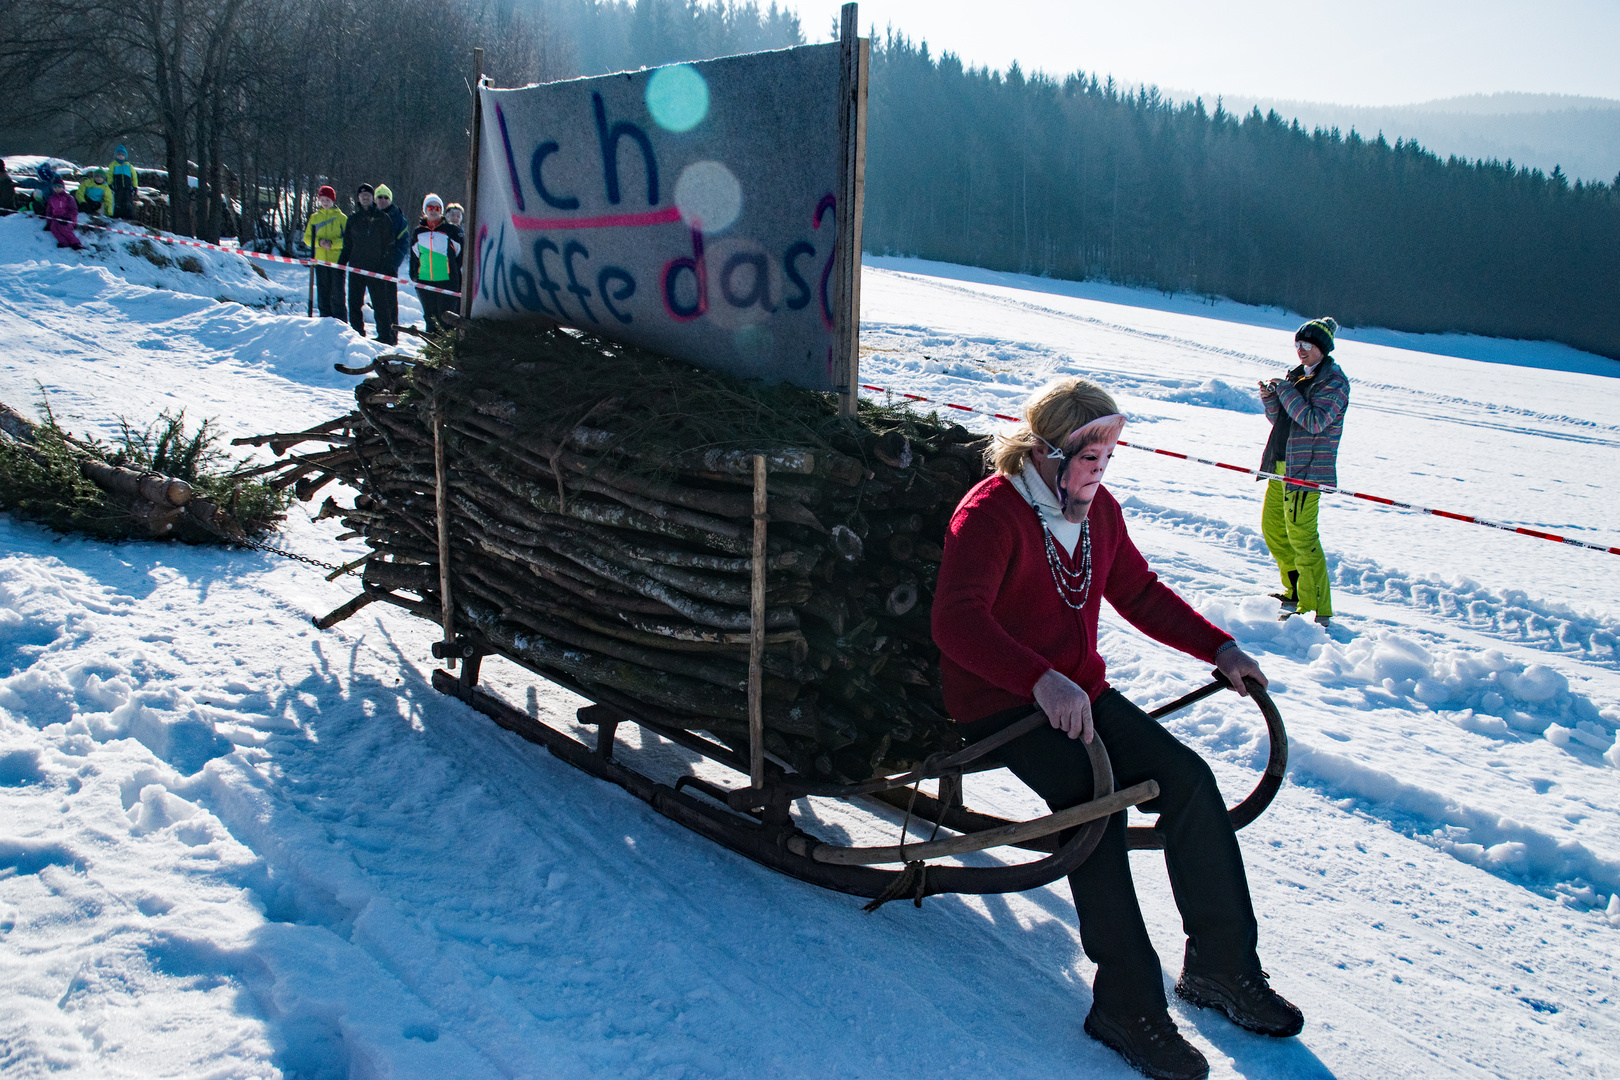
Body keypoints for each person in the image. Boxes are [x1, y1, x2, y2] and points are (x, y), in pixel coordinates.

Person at [932, 376, 1302, 1080]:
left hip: (1079, 692)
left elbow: (1135, 590)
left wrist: (1218, 648)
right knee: (1092, 809)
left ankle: (1221, 967)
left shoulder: (1095, 512)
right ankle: (1126, 1006)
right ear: (1047, 451)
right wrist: (1037, 679)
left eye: (1109, 455)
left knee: (1189, 780)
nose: (1103, 469)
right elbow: (957, 622)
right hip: (1002, 701)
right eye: (1092, 455)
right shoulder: (992, 515)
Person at [1257, 317, 1350, 627]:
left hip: (1305, 470)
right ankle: (1295, 590)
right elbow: (1283, 419)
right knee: (1274, 530)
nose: (1301, 350)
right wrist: (1272, 399)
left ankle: (1316, 609)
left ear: (1322, 348)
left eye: (1307, 345)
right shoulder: (1297, 376)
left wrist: (1285, 391)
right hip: (1280, 463)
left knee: (1302, 537)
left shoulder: (1334, 382)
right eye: (1297, 344)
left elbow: (1313, 421)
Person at [338, 184, 399, 345]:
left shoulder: (382, 218)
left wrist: (385, 265)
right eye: (362, 194)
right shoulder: (353, 219)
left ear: (372, 197)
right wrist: (341, 263)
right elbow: (347, 245)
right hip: (356, 267)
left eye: (368, 194)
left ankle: (385, 336)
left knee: (380, 304)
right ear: (358, 198)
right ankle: (357, 333)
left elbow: (390, 244)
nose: (365, 197)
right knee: (354, 302)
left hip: (376, 269)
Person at [409, 193, 462, 333]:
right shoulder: (418, 232)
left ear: (441, 210)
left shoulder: (452, 231)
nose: (433, 210)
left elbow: (460, 255)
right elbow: (414, 256)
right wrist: (414, 275)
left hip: (447, 281)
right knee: (430, 318)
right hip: (425, 282)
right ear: (424, 210)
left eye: (437, 208)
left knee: (446, 318)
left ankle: (447, 352)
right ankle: (432, 352)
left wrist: (454, 272)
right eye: (430, 207)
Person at [302, 185, 347, 321]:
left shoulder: (342, 218)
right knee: (323, 294)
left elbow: (348, 240)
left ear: (333, 200)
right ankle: (324, 322)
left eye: (327, 199)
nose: (325, 202)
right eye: (322, 199)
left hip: (337, 262)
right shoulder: (315, 217)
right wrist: (319, 242)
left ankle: (340, 322)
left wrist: (332, 245)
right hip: (320, 261)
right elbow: (307, 238)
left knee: (338, 294)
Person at [44, 178, 83, 249]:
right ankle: (63, 242)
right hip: (55, 217)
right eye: (55, 187)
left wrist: (68, 217)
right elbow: (49, 211)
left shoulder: (68, 198)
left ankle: (75, 243)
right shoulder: (52, 198)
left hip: (67, 219)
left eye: (59, 187)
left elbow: (74, 210)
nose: (57, 188)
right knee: (54, 228)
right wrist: (48, 223)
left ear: (63, 187)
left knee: (64, 229)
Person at [107, 145, 140, 220]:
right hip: (118, 186)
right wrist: (110, 183)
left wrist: (135, 186)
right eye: (118, 154)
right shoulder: (113, 164)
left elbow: (134, 177)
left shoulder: (129, 165)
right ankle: (117, 215)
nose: (120, 156)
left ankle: (129, 215)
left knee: (128, 200)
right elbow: (109, 174)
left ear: (125, 156)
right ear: (116, 156)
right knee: (118, 200)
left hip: (128, 187)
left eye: (122, 155)